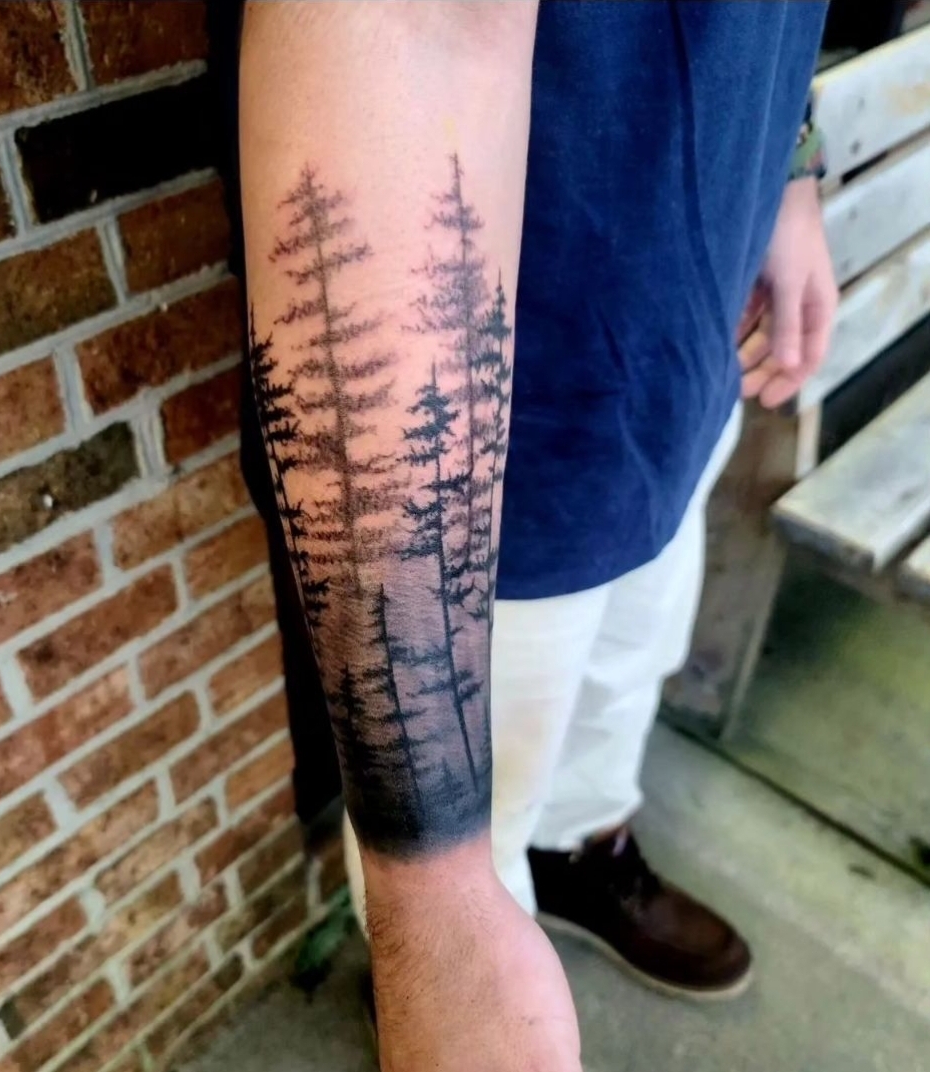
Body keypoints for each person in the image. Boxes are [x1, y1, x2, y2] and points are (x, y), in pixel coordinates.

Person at [234, 3, 836, 1069]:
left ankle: (580, 852)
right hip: (500, 439)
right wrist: (433, 909)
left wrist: (789, 173)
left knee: (627, 668)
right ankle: (446, 960)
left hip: (690, 351)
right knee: (477, 811)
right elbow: (409, 32)